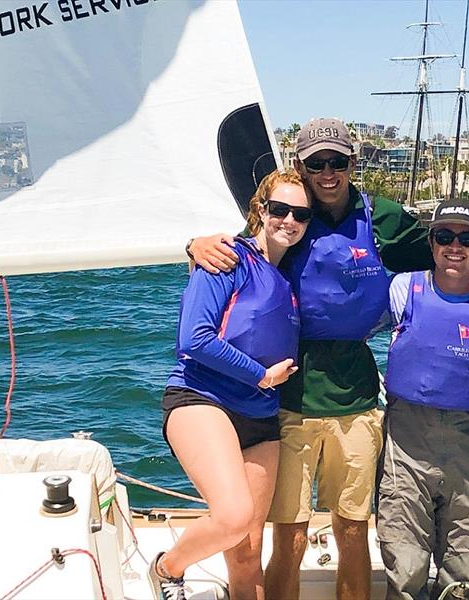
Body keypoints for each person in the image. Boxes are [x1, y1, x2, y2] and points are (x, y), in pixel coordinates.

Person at [187, 117, 436, 600]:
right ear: (300, 165)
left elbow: (448, 252)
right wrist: (193, 245)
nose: (327, 172)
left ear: (352, 163)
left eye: (337, 161)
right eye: (316, 162)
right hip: (290, 396)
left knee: (352, 530)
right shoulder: (289, 212)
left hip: (359, 397)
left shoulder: (382, 216)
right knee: (292, 536)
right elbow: (234, 255)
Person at [149, 170, 312, 600]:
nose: (289, 220)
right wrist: (260, 376)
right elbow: (194, 337)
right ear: (260, 210)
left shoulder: (287, 276)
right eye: (279, 209)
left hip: (260, 416)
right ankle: (168, 568)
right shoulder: (226, 258)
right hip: (202, 398)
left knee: (247, 552)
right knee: (234, 517)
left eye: (300, 214)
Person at [377, 198, 469, 599]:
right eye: (445, 236)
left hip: (468, 441)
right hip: (406, 440)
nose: (455, 247)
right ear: (431, 243)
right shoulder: (403, 288)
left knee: (466, 564)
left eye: (467, 238)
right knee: (407, 562)